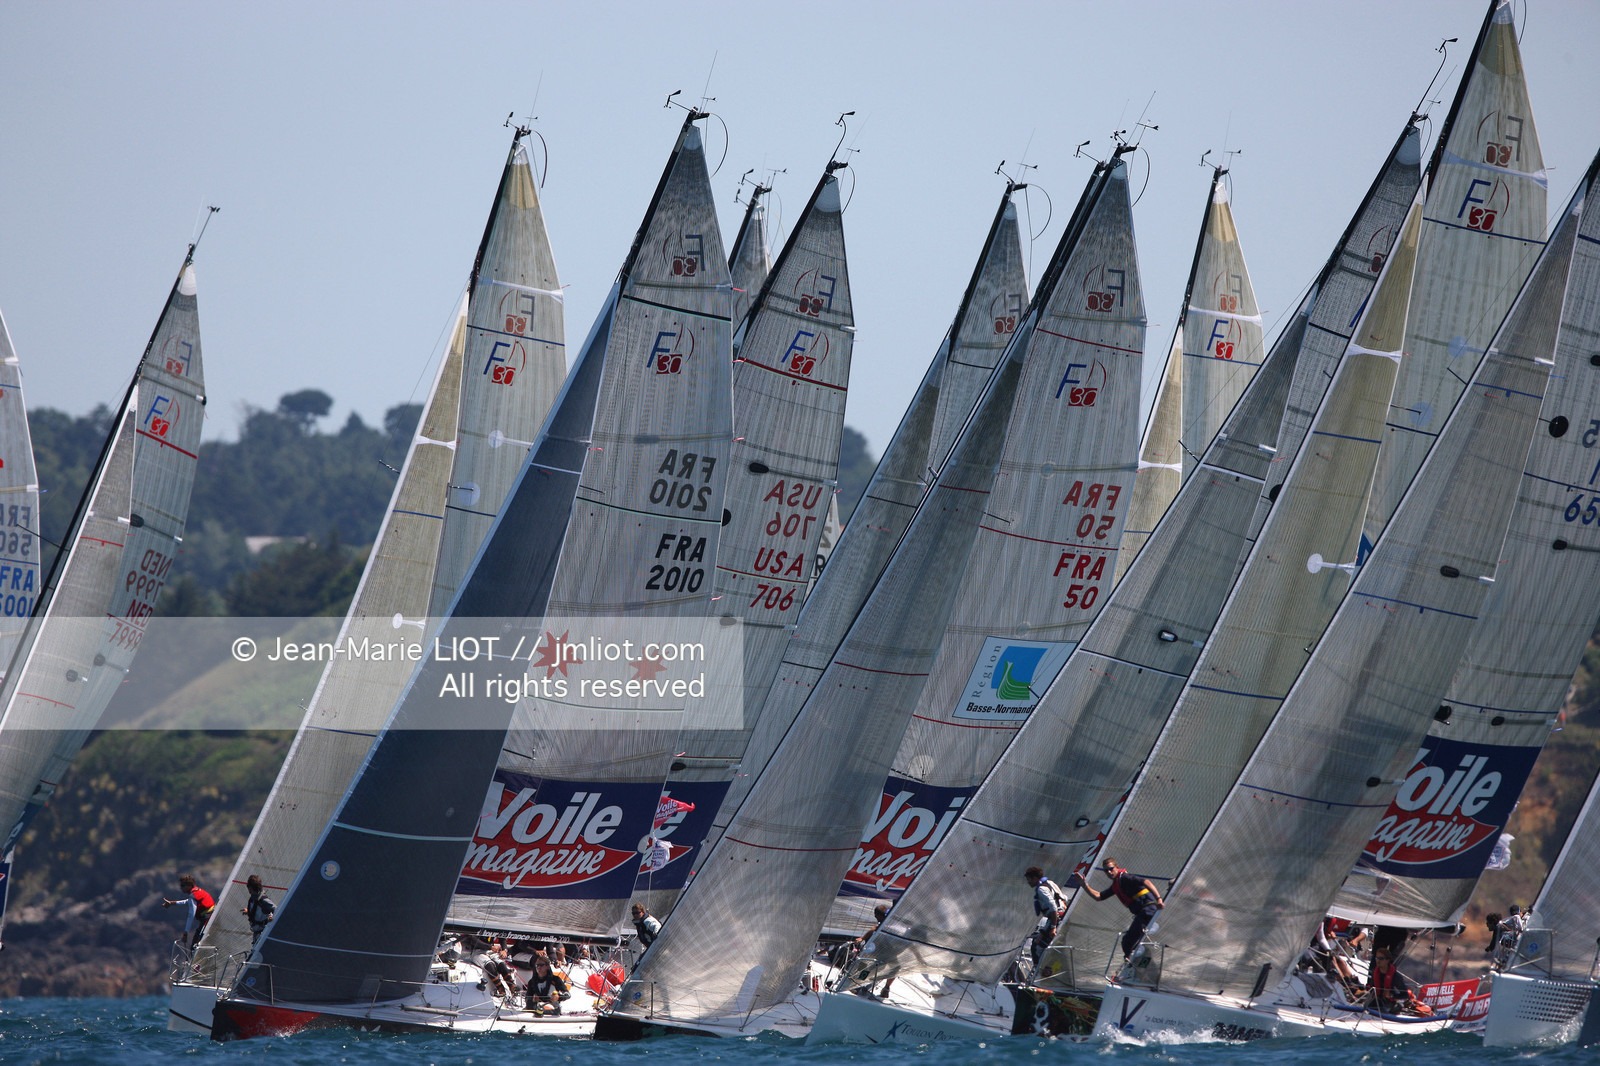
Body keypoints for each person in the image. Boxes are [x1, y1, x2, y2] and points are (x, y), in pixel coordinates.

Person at [1068, 857, 1163, 960]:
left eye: (1111, 869)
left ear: (1117, 867)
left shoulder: (1125, 877)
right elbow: (1099, 896)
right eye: (1106, 870)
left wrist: (1159, 899)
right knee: (1127, 941)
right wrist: (1084, 885)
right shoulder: (1116, 884)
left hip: (1148, 909)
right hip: (1142, 912)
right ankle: (1132, 959)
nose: (1109, 872)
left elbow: (1146, 882)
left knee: (1127, 942)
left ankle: (1130, 961)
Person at [1024, 866, 1071, 962]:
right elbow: (1064, 898)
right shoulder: (1050, 883)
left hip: (1056, 919)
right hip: (1061, 917)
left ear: (1035, 878)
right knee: (1042, 944)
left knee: (1036, 946)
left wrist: (1053, 927)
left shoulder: (1042, 889)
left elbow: (1053, 908)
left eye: (1029, 880)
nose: (1028, 882)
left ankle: (1038, 973)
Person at [1366, 948, 1432, 1015]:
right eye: (1377, 958)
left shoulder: (1396, 977)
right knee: (1367, 1006)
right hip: (1378, 1001)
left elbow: (1405, 995)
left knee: (1384, 1009)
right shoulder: (1376, 972)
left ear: (1387, 960)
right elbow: (1372, 987)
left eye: (1381, 958)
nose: (1378, 961)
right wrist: (1373, 994)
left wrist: (1391, 996)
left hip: (1390, 1004)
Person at [162, 874, 215, 952]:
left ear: (189, 885)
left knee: (195, 946)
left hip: (207, 918)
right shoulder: (197, 891)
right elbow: (187, 901)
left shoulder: (193, 895)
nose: (181, 888)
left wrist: (186, 933)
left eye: (183, 885)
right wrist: (172, 903)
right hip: (211, 915)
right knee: (198, 943)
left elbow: (191, 914)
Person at [241, 874, 276, 949]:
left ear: (250, 888)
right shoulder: (253, 899)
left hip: (263, 935)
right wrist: (248, 911)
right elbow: (256, 911)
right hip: (256, 935)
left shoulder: (263, 900)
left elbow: (277, 909)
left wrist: (272, 917)